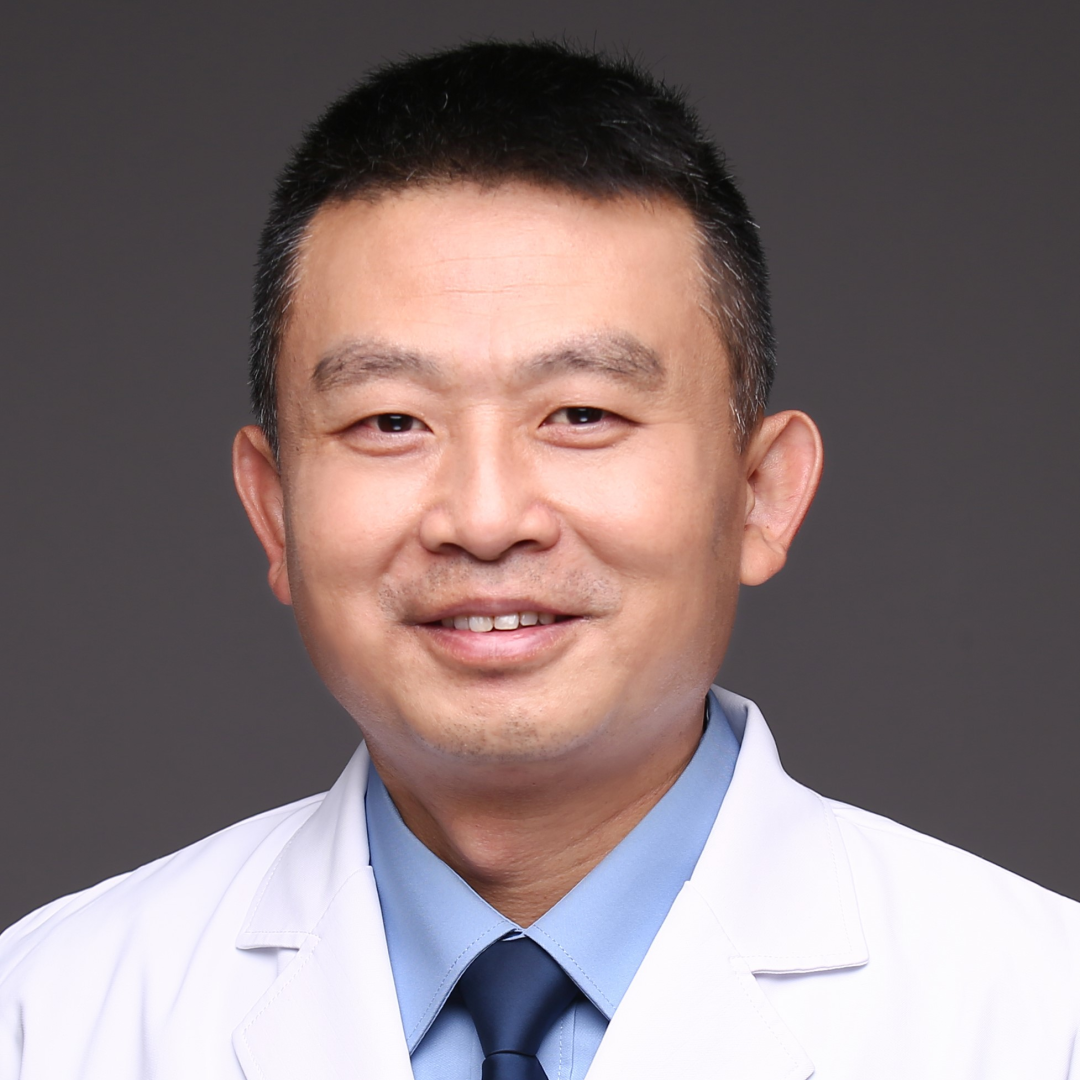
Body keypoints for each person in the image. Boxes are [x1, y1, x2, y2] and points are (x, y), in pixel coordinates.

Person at [1, 39, 1077, 1080]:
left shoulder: (1038, 1017)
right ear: (274, 509)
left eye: (582, 414)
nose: (484, 518)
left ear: (762, 492)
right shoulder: (47, 1016)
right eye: (390, 422)